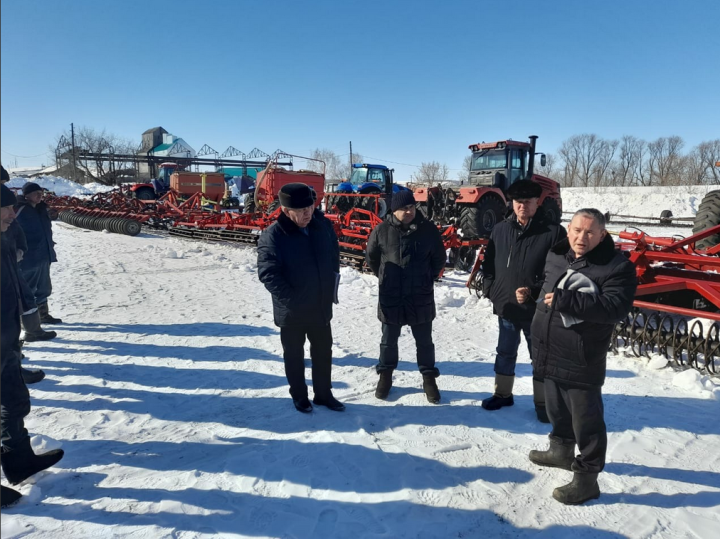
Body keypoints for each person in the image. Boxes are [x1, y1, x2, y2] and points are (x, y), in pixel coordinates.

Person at [529, 208, 637, 505]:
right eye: (577, 230)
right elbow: (549, 288)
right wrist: (532, 293)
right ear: (568, 229)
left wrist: (567, 300)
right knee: (556, 408)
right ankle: (560, 450)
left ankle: (587, 479)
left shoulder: (616, 266)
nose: (581, 237)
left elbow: (614, 307)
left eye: (590, 232)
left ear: (602, 234)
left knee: (587, 421)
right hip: (548, 348)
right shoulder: (557, 255)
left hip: (581, 355)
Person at [480, 180, 566, 421]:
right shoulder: (500, 230)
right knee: (505, 351)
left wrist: (535, 291)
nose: (522, 207)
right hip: (506, 304)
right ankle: (503, 394)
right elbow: (489, 264)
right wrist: (491, 290)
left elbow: (559, 273)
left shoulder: (553, 233)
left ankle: (543, 402)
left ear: (537, 203)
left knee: (539, 355)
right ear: (512, 203)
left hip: (537, 309)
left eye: (527, 202)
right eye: (518, 202)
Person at [1, 184, 65, 509]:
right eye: (8, 207)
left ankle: (19, 460)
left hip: (7, 339)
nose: (14, 214)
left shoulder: (4, 239)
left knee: (13, 401)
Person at [257, 183, 344, 413]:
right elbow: (268, 274)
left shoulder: (322, 226)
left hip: (320, 306)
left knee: (323, 353)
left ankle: (324, 394)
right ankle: (299, 396)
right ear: (286, 211)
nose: (308, 213)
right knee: (294, 356)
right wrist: (293, 300)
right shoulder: (273, 235)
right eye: (302, 210)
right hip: (293, 310)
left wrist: (330, 285)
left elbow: (333, 256)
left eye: (311, 207)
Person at [366, 189, 446, 403]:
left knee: (425, 342)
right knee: (388, 341)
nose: (409, 211)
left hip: (420, 294)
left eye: (412, 207)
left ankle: (429, 378)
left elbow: (439, 258)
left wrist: (427, 277)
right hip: (391, 296)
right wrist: (385, 277)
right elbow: (372, 257)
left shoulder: (428, 230)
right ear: (394, 210)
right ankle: (385, 376)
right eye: (404, 208)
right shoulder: (382, 230)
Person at [15, 182, 62, 325]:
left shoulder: (42, 209)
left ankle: (43, 314)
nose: (40, 195)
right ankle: (27, 321)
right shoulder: (19, 209)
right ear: (26, 195)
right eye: (36, 193)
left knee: (44, 287)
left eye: (41, 193)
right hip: (29, 256)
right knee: (28, 289)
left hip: (44, 254)